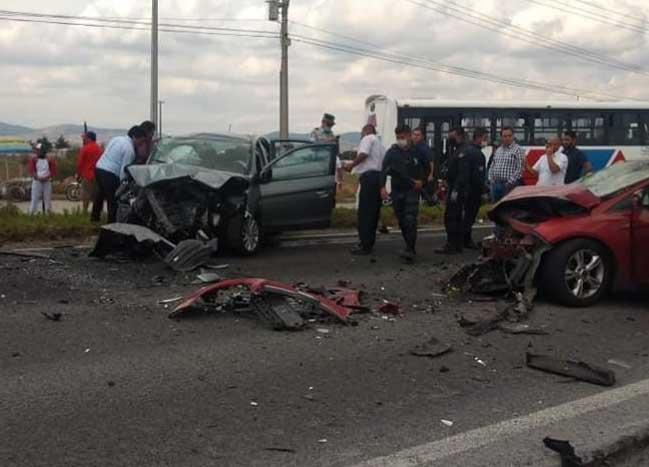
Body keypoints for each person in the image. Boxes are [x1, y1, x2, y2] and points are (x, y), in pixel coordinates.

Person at [380, 125, 429, 263]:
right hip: (397, 190)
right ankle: (408, 245)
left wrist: (422, 181)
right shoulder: (392, 152)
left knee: (410, 219)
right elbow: (384, 170)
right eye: (398, 138)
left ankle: (410, 249)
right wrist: (382, 187)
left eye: (402, 137)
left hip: (412, 190)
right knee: (402, 221)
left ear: (409, 136)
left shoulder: (418, 151)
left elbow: (428, 168)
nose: (400, 140)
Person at [92, 125, 147, 223]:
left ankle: (94, 218)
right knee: (113, 200)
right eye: (140, 141)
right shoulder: (129, 150)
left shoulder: (117, 139)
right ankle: (112, 223)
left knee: (100, 194)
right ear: (134, 137)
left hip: (99, 168)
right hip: (110, 173)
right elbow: (124, 172)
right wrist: (123, 186)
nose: (140, 144)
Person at [345, 124, 386, 255]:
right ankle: (368, 242)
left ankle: (364, 245)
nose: (361, 135)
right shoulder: (380, 144)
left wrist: (351, 164)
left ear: (366, 131)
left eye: (361, 132)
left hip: (368, 179)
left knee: (365, 213)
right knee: (373, 213)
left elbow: (363, 154)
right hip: (378, 178)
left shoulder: (368, 138)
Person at [436, 127, 470, 254]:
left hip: (457, 189)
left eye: (452, 137)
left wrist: (455, 190)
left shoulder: (463, 152)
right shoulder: (457, 150)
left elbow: (462, 174)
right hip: (454, 187)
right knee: (454, 217)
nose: (450, 139)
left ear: (459, 136)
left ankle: (452, 244)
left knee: (451, 217)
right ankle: (456, 244)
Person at [463, 128, 488, 250]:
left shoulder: (467, 150)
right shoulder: (478, 154)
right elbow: (478, 177)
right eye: (484, 138)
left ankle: (463, 238)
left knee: (465, 215)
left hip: (465, 189)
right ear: (478, 138)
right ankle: (466, 240)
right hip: (473, 191)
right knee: (470, 216)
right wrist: (483, 191)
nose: (486, 141)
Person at [487, 127, 524, 203]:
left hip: (509, 186)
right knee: (495, 208)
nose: (507, 138)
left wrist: (509, 183)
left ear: (513, 136)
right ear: (501, 137)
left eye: (509, 136)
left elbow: (520, 169)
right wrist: (491, 179)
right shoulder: (498, 149)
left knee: (507, 208)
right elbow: (492, 165)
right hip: (495, 184)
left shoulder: (518, 149)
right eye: (505, 136)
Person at [311, 113, 343, 189]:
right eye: (329, 124)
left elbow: (335, 151)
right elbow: (313, 147)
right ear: (323, 122)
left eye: (331, 125)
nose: (330, 127)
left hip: (330, 164)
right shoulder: (315, 132)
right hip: (319, 163)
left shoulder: (331, 134)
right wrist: (328, 140)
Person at [76, 131, 103, 213]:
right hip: (98, 176)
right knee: (97, 197)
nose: (83, 139)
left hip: (87, 176)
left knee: (86, 196)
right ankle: (98, 213)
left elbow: (79, 163)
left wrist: (78, 175)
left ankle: (84, 213)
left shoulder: (85, 148)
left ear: (89, 138)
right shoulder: (99, 148)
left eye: (84, 138)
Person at [28, 143, 57, 215]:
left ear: (43, 151)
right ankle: (31, 213)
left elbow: (53, 171)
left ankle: (48, 213)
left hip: (47, 181)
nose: (37, 151)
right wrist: (37, 177)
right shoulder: (34, 159)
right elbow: (32, 170)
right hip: (37, 181)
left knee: (47, 199)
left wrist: (46, 177)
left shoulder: (50, 159)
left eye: (38, 150)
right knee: (34, 198)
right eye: (36, 150)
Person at [412, 127, 436, 205]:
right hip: (415, 175)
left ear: (422, 136)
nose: (415, 136)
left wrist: (431, 174)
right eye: (414, 134)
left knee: (424, 194)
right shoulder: (412, 146)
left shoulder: (424, 148)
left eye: (418, 135)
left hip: (424, 175)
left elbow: (431, 161)